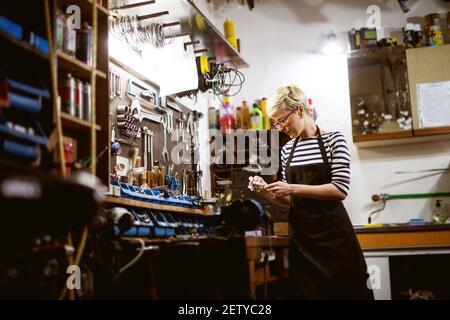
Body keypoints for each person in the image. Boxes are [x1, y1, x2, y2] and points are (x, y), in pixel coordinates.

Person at [249, 85, 374, 300]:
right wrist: (267, 192)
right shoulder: (288, 150)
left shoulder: (334, 140)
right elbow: (291, 200)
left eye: (282, 120)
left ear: (300, 110)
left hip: (335, 241)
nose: (280, 127)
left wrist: (292, 187)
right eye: (275, 123)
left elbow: (339, 189)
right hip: (304, 243)